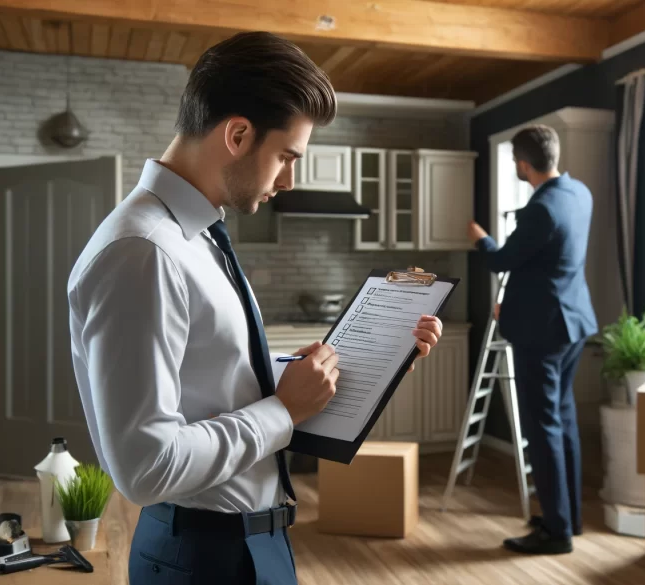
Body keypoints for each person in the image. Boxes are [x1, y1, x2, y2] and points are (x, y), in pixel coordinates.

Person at [67, 32, 443, 584]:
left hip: (253, 543)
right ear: (238, 134)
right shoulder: (144, 251)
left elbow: (219, 378)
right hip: (203, 559)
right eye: (287, 157)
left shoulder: (196, 237)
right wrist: (284, 412)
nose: (288, 180)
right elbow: (145, 469)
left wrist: (373, 362)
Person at [467, 125, 597, 555]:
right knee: (562, 421)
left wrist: (480, 238)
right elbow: (548, 263)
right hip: (572, 323)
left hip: (541, 331)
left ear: (523, 164)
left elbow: (503, 259)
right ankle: (568, 517)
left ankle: (555, 533)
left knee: (542, 428)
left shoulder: (541, 209)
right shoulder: (579, 193)